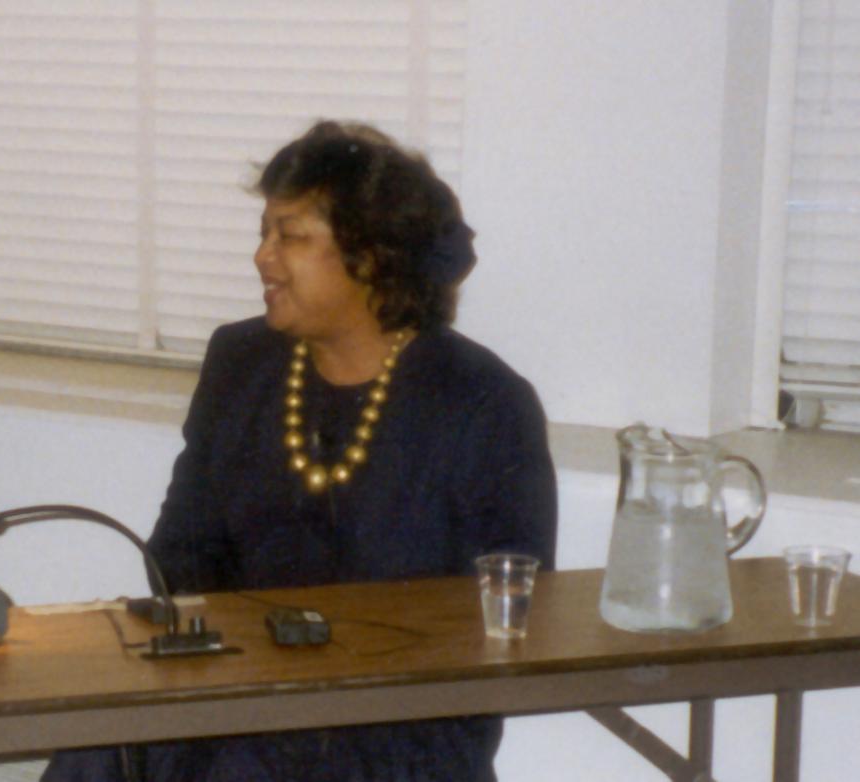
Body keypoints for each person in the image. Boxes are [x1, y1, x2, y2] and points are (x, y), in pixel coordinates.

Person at [43, 121, 558, 780]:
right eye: (264, 232)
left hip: (401, 725)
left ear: (369, 256)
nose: (263, 256)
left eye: (290, 236)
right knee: (99, 739)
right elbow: (178, 555)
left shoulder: (482, 403)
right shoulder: (241, 362)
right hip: (242, 691)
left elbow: (514, 613)